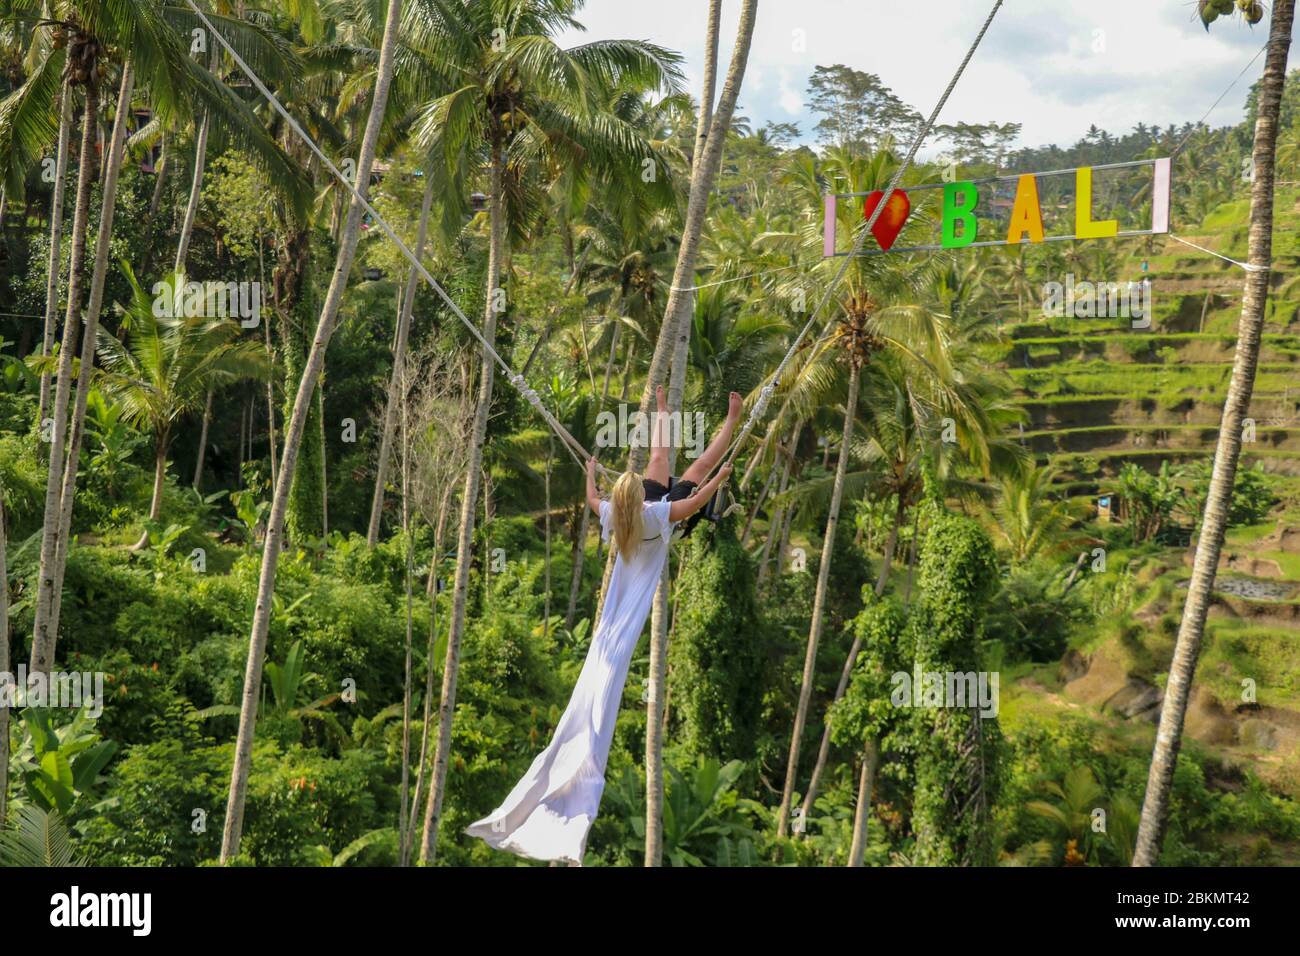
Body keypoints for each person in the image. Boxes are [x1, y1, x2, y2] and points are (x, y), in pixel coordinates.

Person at [464, 386, 742, 864]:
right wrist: (719, 481)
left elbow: (594, 497)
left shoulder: (619, 515)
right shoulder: (656, 516)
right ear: (640, 499)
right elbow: (692, 505)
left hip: (648, 518)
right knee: (694, 472)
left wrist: (593, 472)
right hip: (665, 527)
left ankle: (696, 415)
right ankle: (732, 419)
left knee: (664, 454)